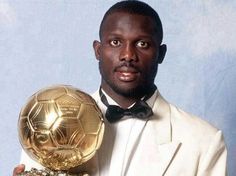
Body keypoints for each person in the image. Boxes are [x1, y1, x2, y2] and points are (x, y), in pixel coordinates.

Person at [13, 1, 227, 175]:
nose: (128, 55)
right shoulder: (48, 120)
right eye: (116, 42)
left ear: (160, 54)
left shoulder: (203, 141)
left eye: (142, 44)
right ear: (98, 50)